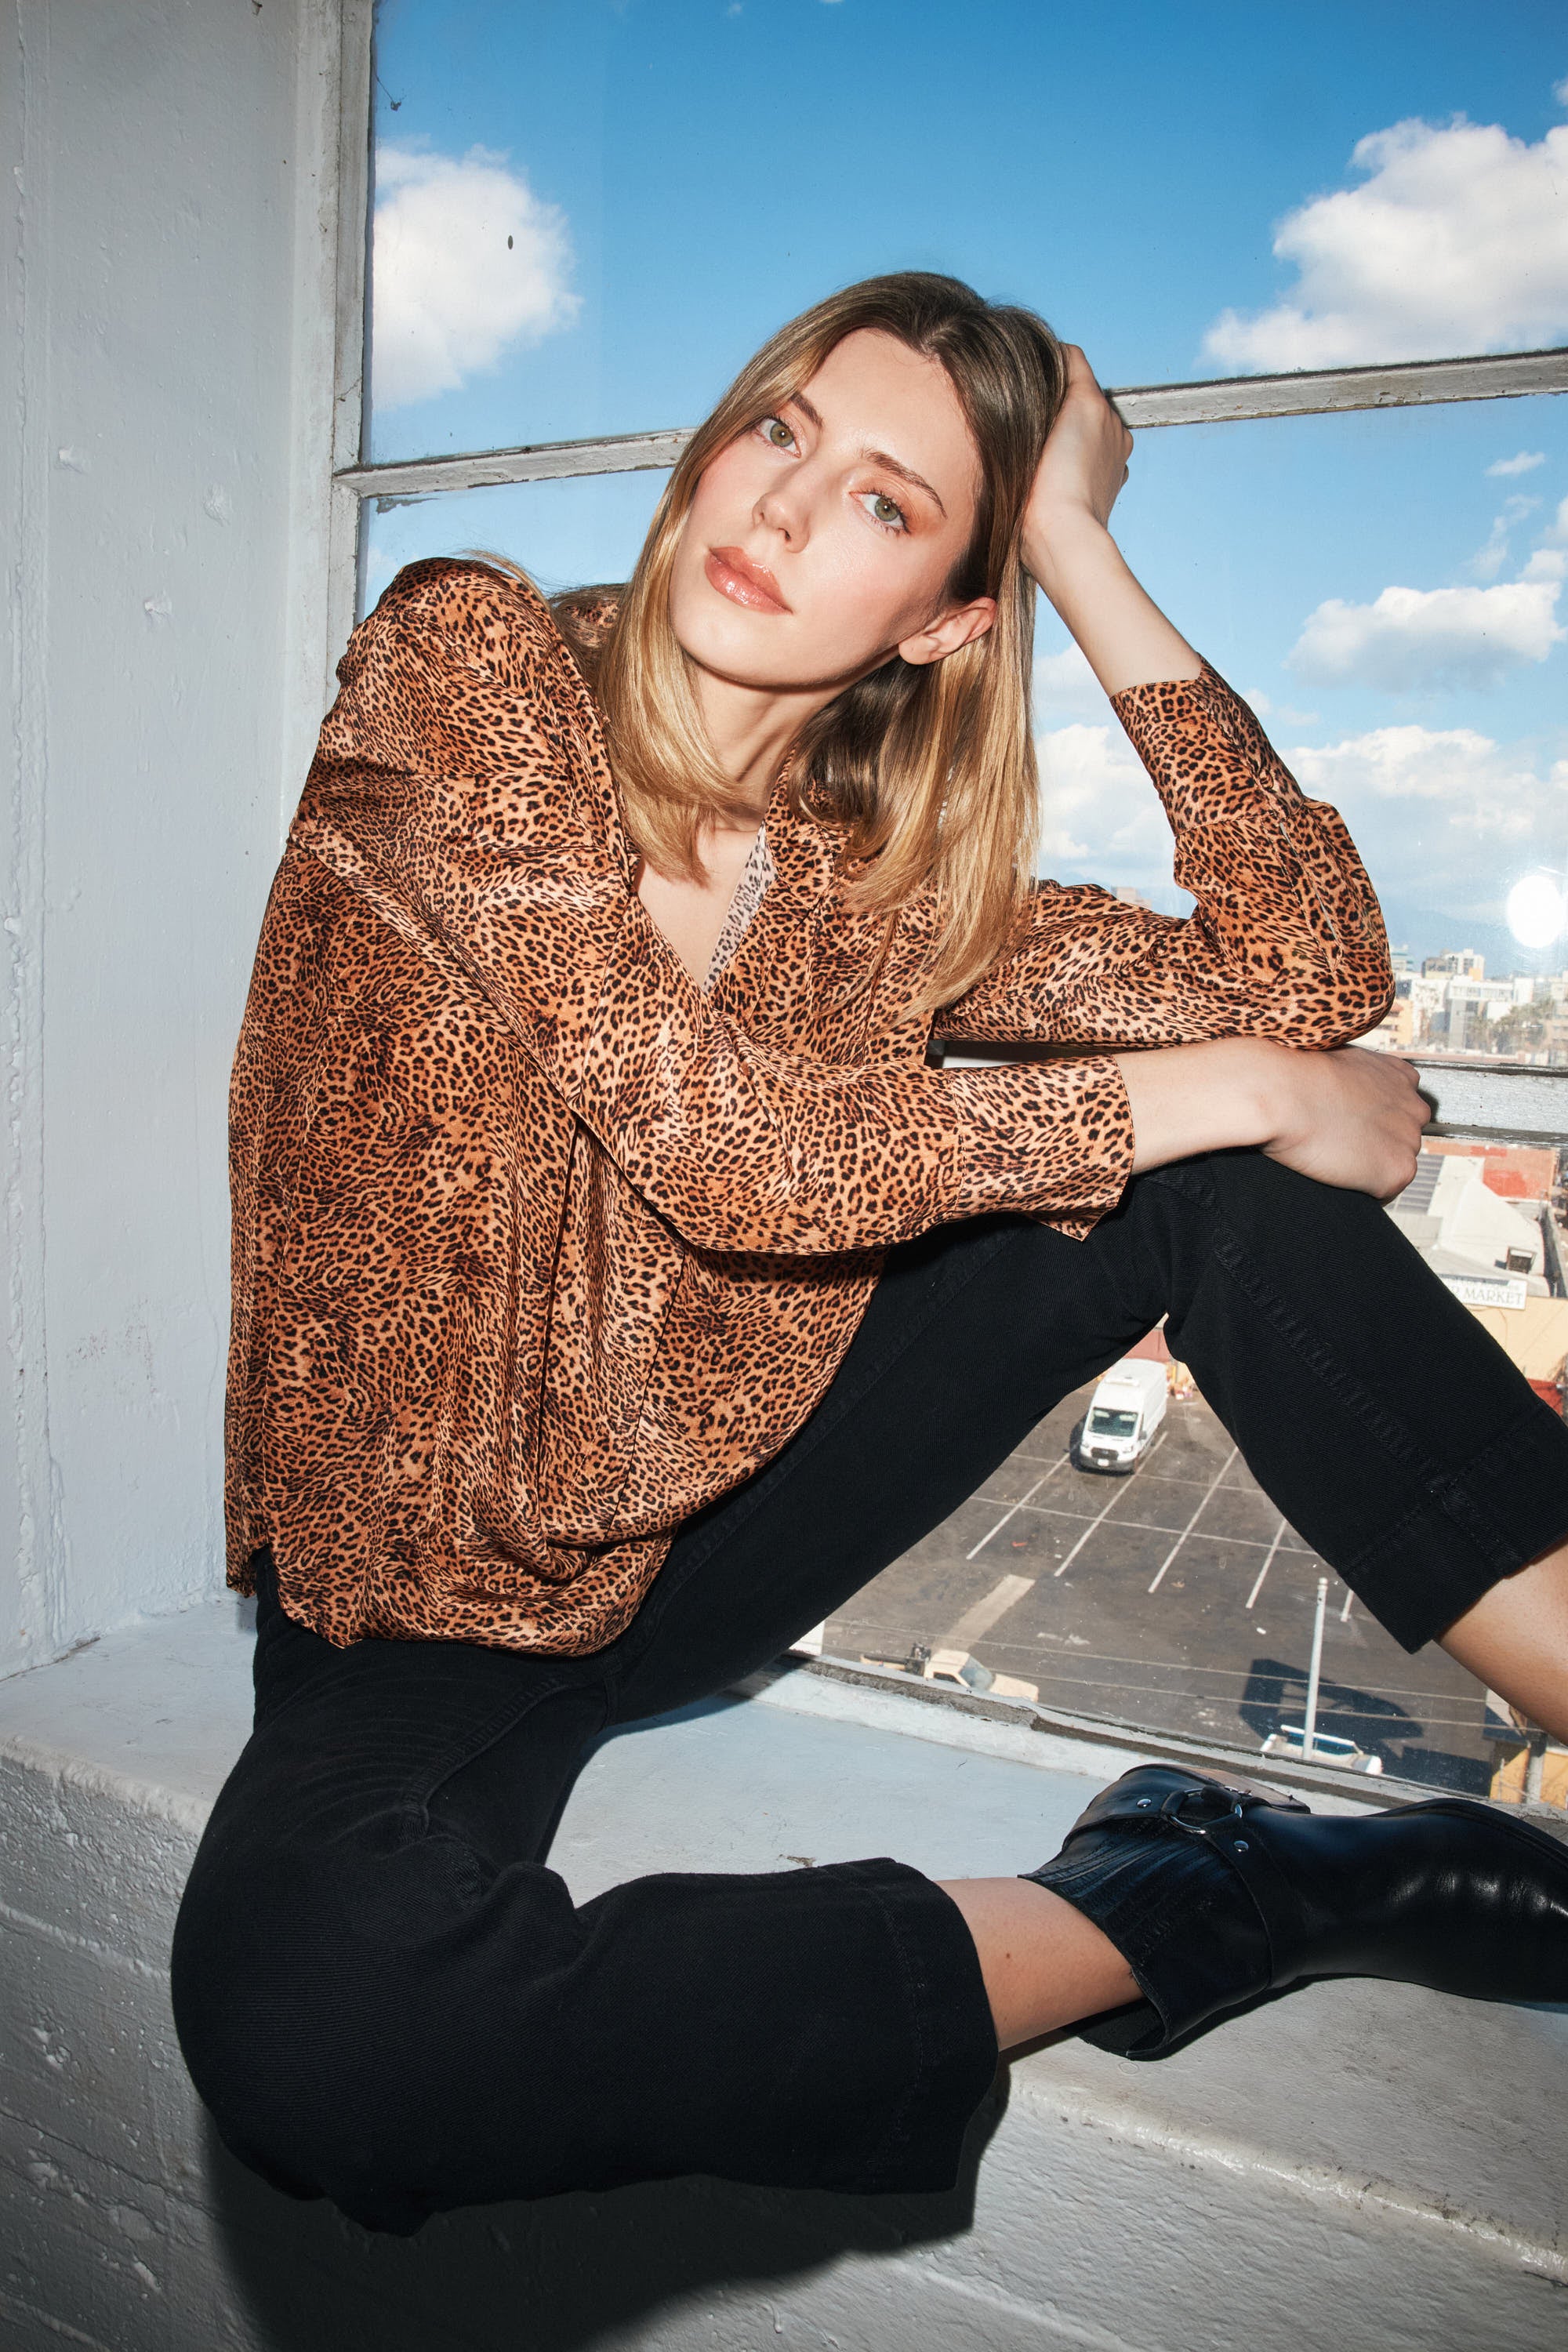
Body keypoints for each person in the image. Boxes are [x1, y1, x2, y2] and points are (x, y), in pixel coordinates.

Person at [172, 274, 1568, 2238]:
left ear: (942, 620)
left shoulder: (879, 889)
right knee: (328, 2049)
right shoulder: (468, 666)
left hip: (704, 1545)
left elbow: (1316, 974)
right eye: (781, 431)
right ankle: (1211, 1892)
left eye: (887, 504)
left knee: (1206, 1177)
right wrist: (1238, 1083)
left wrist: (1077, 536)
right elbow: (721, 1150)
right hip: (411, 1620)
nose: (780, 502)